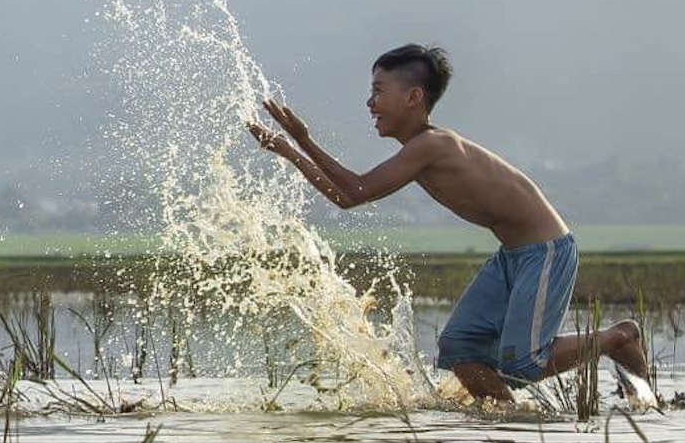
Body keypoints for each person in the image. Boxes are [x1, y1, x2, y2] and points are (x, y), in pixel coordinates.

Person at [246, 43, 654, 403]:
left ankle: (618, 336)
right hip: (512, 254)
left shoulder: (432, 146)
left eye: (377, 92)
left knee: (526, 362)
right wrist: (293, 145)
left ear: (413, 97)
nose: (369, 103)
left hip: (544, 250)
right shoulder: (420, 149)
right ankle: (509, 420)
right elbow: (348, 197)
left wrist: (294, 144)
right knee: (460, 347)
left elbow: (355, 191)